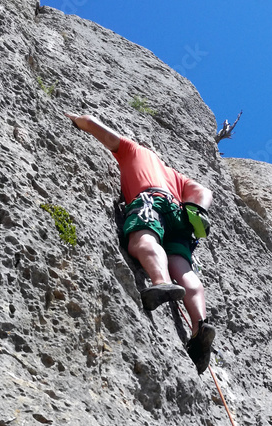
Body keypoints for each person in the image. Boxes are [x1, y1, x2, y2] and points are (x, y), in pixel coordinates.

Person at [65, 112, 216, 373]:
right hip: (179, 214)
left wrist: (75, 118)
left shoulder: (132, 150)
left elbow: (94, 126)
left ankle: (160, 283)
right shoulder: (173, 174)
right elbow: (203, 191)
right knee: (183, 267)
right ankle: (199, 326)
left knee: (142, 239)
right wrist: (196, 210)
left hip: (150, 199)